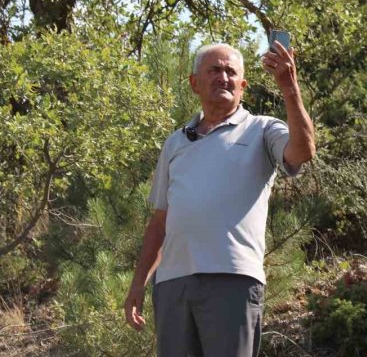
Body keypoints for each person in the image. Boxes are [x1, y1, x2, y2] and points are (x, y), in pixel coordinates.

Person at [123, 41, 315, 356]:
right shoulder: (175, 143)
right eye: (214, 70)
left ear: (243, 85)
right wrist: (138, 283)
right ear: (194, 83)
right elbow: (160, 221)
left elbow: (303, 151)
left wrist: (289, 87)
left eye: (231, 72)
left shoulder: (263, 129)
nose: (223, 77)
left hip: (233, 279)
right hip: (173, 285)